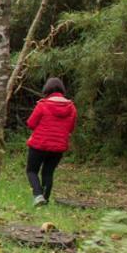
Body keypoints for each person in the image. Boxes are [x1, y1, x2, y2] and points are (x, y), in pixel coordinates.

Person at [25, 77, 78, 206]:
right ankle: (45, 200)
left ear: (47, 89)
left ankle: (38, 195)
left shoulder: (43, 105)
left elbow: (31, 123)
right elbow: (71, 128)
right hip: (58, 146)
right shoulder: (71, 107)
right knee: (48, 172)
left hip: (39, 144)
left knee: (31, 171)